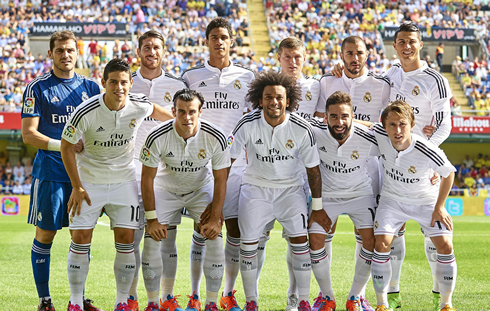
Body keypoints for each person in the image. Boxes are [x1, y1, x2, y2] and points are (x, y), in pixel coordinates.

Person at [60, 59, 173, 311]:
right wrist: (77, 186)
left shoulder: (138, 105)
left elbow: (158, 111)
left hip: (124, 180)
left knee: (126, 240)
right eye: (113, 82)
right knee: (80, 238)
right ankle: (75, 302)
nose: (119, 87)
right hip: (89, 181)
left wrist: (184, 125)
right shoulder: (85, 111)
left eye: (124, 82)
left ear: (131, 84)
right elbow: (66, 147)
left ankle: (122, 302)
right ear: (104, 83)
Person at [228, 70, 329, 311]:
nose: (274, 102)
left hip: (290, 191)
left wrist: (317, 208)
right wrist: (216, 201)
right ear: (260, 100)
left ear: (288, 100)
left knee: (299, 243)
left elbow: (313, 170)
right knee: (248, 246)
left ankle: (300, 300)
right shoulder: (247, 123)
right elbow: (227, 164)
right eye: (269, 97)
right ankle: (251, 301)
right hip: (255, 190)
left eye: (280, 97)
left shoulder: (301, 128)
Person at [21, 30, 102, 311]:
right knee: (45, 235)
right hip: (51, 174)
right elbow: (29, 135)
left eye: (70, 50)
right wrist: (64, 145)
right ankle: (44, 300)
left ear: (77, 53)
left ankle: (77, 299)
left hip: (82, 176)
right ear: (50, 54)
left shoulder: (92, 88)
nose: (65, 55)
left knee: (81, 237)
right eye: (59, 51)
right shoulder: (37, 88)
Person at [181, 17, 255, 311]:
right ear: (207, 40)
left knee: (234, 231)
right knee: (202, 229)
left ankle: (228, 293)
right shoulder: (191, 76)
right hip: (201, 166)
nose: (219, 41)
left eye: (224, 36)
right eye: (214, 36)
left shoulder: (248, 77)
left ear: (232, 41)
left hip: (236, 166)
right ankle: (195, 295)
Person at [139, 89, 230, 311]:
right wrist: (151, 219)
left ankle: (210, 303)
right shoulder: (156, 135)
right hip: (165, 189)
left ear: (200, 112)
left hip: (199, 189)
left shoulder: (215, 135)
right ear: (173, 111)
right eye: (181, 112)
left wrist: (216, 217)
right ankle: (157, 302)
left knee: (214, 236)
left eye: (191, 112)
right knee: (153, 239)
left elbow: (220, 178)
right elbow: (147, 178)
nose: (186, 118)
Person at [319, 35, 391, 311]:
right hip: (335, 167)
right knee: (327, 230)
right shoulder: (327, 81)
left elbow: (389, 124)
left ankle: (358, 295)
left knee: (368, 236)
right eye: (349, 53)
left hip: (370, 167)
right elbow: (318, 119)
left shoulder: (382, 84)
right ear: (341, 55)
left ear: (367, 53)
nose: (354, 58)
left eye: (359, 52)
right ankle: (325, 296)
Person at [384, 22, 452, 310]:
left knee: (432, 230)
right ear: (395, 45)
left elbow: (445, 123)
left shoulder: (434, 79)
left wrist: (429, 155)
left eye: (412, 41)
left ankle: (439, 295)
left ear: (420, 44)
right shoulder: (391, 74)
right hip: (392, 163)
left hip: (426, 165)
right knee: (393, 232)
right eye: (401, 41)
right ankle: (393, 293)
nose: (407, 46)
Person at [370, 100, 457, 311]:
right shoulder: (381, 136)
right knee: (381, 244)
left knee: (445, 245)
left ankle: (446, 304)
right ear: (384, 126)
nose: (397, 130)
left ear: (411, 124)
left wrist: (440, 207)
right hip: (392, 201)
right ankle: (382, 304)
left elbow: (449, 173)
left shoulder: (425, 148)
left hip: (425, 201)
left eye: (402, 124)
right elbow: (361, 124)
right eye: (392, 125)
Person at [127, 29, 187, 311]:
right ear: (138, 52)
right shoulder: (125, 82)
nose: (152, 52)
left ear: (165, 52)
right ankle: (130, 297)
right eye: (147, 47)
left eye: (157, 48)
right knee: (132, 236)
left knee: (166, 236)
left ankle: (165, 297)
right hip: (130, 169)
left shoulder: (178, 84)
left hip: (165, 172)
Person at [309, 91, 380, 311]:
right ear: (325, 118)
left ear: (352, 116)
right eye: (333, 117)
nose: (339, 122)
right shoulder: (314, 132)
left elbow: (398, 131)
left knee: (371, 241)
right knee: (315, 240)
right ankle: (327, 297)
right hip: (328, 195)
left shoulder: (369, 136)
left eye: (344, 116)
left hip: (360, 194)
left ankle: (355, 297)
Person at [276, 36, 324, 311]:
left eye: (298, 57)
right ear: (279, 58)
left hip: (306, 171)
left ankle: (297, 297)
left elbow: (319, 122)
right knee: (263, 238)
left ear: (304, 58)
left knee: (303, 238)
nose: (293, 62)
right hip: (275, 170)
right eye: (287, 57)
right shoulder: (269, 87)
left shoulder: (315, 85)